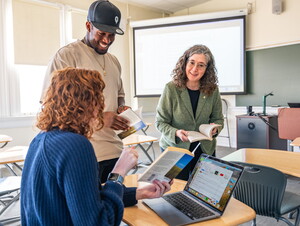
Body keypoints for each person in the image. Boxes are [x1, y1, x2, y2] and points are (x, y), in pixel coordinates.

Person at [21, 68, 171, 225]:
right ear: (87, 103)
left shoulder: (40, 139)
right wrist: (119, 172)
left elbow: (86, 199)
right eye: (99, 98)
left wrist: (138, 193)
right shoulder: (76, 146)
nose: (103, 104)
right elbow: (98, 222)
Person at [41, 0, 130, 184]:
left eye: (111, 35)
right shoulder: (66, 56)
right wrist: (100, 118)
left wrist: (122, 109)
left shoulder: (114, 61)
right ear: (88, 26)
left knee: (119, 208)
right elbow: (51, 108)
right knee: (88, 211)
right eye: (101, 34)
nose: (107, 40)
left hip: (114, 152)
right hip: (83, 153)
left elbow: (119, 97)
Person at [155, 44, 224, 181]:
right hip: (176, 149)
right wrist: (176, 133)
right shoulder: (171, 88)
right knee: (174, 189)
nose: (194, 69)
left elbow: (218, 119)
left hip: (204, 149)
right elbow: (161, 122)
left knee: (203, 189)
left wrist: (215, 129)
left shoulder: (213, 90)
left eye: (201, 65)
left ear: (207, 69)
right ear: (184, 63)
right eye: (191, 62)